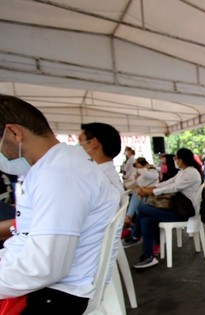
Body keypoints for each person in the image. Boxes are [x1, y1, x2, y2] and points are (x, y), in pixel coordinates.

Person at [0, 94, 120, 314]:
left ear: (14, 133)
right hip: (48, 283)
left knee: (148, 215)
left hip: (55, 293)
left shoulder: (60, 174)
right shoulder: (55, 167)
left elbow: (45, 267)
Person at [123, 148, 203, 269]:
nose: (175, 160)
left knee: (144, 209)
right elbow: (169, 182)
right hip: (177, 207)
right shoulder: (183, 171)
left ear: (181, 160)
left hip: (184, 211)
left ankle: (134, 235)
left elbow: (174, 187)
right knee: (145, 220)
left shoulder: (191, 172)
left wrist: (152, 191)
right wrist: (152, 188)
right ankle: (148, 256)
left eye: (176, 158)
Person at [79, 122, 123, 192]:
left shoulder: (101, 179)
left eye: (80, 140)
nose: (79, 145)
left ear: (93, 142)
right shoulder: (101, 175)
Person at [124, 157, 159, 226]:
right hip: (143, 195)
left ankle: (128, 216)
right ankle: (130, 218)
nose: (136, 166)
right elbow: (134, 183)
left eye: (137, 164)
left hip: (150, 195)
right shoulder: (140, 172)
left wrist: (144, 168)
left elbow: (145, 175)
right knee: (137, 196)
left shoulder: (153, 172)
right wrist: (135, 178)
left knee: (137, 194)